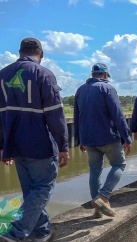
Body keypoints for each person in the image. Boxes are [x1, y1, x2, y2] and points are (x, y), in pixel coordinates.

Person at [0, 37, 69, 242]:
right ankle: (16, 231)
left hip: (15, 144)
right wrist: (64, 145)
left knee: (31, 191)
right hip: (39, 144)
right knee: (43, 187)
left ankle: (42, 232)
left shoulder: (2, 75)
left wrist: (3, 146)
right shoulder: (44, 74)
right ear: (41, 54)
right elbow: (55, 114)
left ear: (20, 52)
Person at [74, 63, 132, 218]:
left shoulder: (80, 90)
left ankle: (98, 210)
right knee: (119, 164)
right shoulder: (108, 89)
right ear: (105, 75)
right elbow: (118, 115)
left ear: (92, 74)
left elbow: (76, 117)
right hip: (107, 137)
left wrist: (79, 139)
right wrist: (126, 137)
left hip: (88, 138)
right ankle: (103, 196)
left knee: (95, 171)